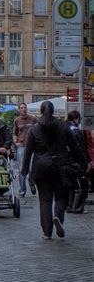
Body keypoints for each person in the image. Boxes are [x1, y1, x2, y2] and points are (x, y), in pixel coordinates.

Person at [21, 101, 88, 240]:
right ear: (53, 111)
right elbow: (75, 147)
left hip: (41, 167)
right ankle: (57, 215)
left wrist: (25, 170)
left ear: (40, 111)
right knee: (61, 196)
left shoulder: (34, 129)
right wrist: (83, 163)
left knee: (45, 200)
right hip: (60, 166)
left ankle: (46, 232)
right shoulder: (63, 127)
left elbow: (28, 152)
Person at [66, 110, 90, 214]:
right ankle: (78, 207)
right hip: (77, 161)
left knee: (71, 185)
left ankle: (70, 206)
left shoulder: (65, 129)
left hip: (67, 161)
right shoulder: (77, 131)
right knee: (83, 185)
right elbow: (81, 149)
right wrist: (86, 162)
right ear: (76, 118)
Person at [13, 102, 37, 197]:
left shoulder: (33, 119)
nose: (24, 109)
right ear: (19, 110)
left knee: (32, 168)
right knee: (22, 169)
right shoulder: (17, 120)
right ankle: (22, 189)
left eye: (25, 107)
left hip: (32, 146)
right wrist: (16, 142)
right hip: (21, 146)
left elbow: (38, 130)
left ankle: (32, 183)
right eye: (22, 108)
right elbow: (14, 133)